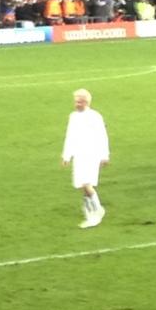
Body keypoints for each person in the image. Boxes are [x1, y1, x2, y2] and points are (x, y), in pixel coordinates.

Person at [62, 88, 109, 228]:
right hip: (79, 155)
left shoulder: (94, 117)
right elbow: (70, 136)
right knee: (82, 184)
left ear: (86, 102)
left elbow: (102, 136)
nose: (76, 104)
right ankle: (90, 211)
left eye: (79, 101)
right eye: (75, 101)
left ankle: (97, 210)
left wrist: (104, 155)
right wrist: (67, 155)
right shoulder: (73, 116)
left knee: (86, 183)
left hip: (91, 154)